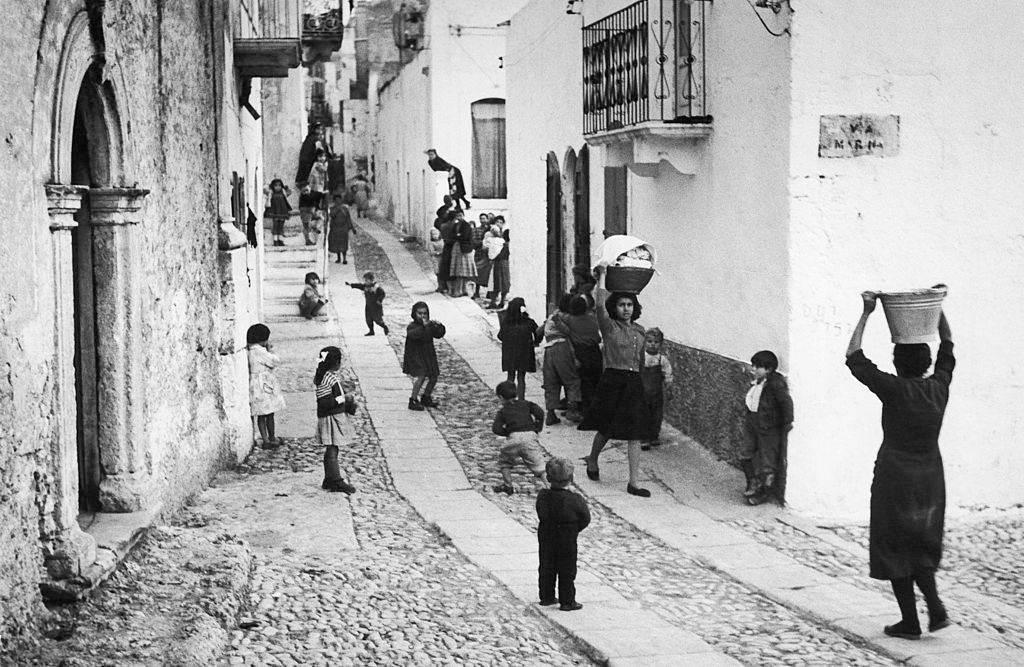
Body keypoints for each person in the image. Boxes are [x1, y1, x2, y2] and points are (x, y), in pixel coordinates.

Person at [846, 290, 954, 641]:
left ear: (896, 362)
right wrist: (935, 309)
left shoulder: (892, 389)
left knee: (894, 545)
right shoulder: (939, 388)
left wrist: (867, 312)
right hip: (930, 478)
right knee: (921, 541)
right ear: (926, 362)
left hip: (895, 475)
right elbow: (948, 345)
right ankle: (935, 609)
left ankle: (910, 620)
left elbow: (854, 357)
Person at [583, 266, 651, 497]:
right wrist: (602, 276)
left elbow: (641, 360)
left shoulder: (641, 331)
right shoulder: (609, 326)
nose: (626, 309)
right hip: (613, 380)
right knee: (606, 428)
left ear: (635, 307)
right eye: (622, 305)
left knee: (635, 433)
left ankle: (634, 483)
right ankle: (592, 459)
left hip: (633, 382)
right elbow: (599, 305)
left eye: (629, 305)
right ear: (615, 307)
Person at [536, 457, 590, 611]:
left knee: (547, 565)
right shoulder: (574, 499)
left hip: (547, 535)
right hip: (567, 537)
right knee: (567, 569)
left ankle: (546, 596)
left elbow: (540, 511)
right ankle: (567, 601)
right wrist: (574, 529)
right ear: (571, 478)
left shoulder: (543, 495)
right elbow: (585, 518)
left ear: (548, 477)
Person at [740, 350, 794, 506]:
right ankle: (753, 483)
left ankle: (764, 493)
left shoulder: (775, 384)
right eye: (754, 366)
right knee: (745, 454)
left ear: (769, 369)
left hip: (768, 427)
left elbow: (786, 403)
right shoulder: (757, 382)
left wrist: (787, 423)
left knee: (767, 462)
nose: (754, 370)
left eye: (758, 367)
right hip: (753, 422)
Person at [491, 380, 547, 495]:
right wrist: (537, 426)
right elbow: (540, 412)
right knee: (539, 464)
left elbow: (496, 428)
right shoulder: (526, 404)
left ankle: (508, 485)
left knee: (504, 461)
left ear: (501, 397)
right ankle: (550, 486)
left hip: (514, 437)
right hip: (530, 435)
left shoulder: (502, 411)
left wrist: (508, 432)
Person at [314, 346, 357, 494]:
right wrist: (343, 399)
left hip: (332, 416)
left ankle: (328, 478)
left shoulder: (325, 376)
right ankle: (336, 480)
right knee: (333, 448)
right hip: (331, 417)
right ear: (336, 362)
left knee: (331, 448)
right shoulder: (328, 378)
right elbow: (324, 401)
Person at [539, 294, 584, 425]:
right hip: (562, 348)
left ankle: (551, 414)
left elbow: (540, 331)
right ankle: (572, 411)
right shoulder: (563, 317)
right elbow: (567, 332)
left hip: (548, 350)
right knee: (572, 380)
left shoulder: (552, 315)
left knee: (551, 383)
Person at [563, 294, 603, 430]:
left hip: (580, 353)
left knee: (582, 384)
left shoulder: (569, 320)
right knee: (595, 383)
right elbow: (598, 338)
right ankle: (595, 413)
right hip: (595, 353)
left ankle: (583, 413)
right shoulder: (592, 318)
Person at [246, 323, 285, 449]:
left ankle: (265, 438)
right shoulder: (260, 351)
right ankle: (271, 437)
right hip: (264, 384)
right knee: (270, 413)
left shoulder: (251, 350)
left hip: (256, 384)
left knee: (261, 414)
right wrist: (271, 349)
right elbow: (275, 361)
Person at [402, 301, 446, 411]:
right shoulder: (412, 326)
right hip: (416, 355)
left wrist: (439, 327)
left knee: (434, 376)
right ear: (414, 314)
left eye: (425, 313)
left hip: (428, 354)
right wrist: (424, 327)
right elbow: (414, 335)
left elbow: (438, 335)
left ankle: (426, 397)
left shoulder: (429, 325)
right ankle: (413, 399)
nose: (422, 316)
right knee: (421, 376)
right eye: (419, 313)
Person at [498, 298, 541, 401]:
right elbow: (539, 332)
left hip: (510, 353)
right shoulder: (529, 322)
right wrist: (536, 342)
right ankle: (521, 400)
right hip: (524, 353)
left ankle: (509, 398)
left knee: (510, 377)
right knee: (521, 378)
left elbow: (500, 336)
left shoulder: (506, 322)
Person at [640, 328, 674, 451]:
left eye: (656, 342)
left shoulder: (662, 360)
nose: (652, 344)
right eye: (649, 341)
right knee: (643, 415)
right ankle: (644, 438)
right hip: (642, 392)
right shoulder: (641, 357)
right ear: (645, 342)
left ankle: (654, 435)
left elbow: (668, 374)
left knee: (656, 415)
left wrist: (669, 387)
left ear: (660, 344)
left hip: (656, 393)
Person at [346, 272, 389, 336]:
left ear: (371, 280)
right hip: (368, 306)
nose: (365, 282)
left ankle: (384, 327)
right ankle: (371, 331)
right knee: (368, 319)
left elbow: (382, 294)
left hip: (376, 307)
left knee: (377, 320)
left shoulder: (376, 288)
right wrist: (351, 285)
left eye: (366, 280)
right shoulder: (365, 286)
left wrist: (379, 300)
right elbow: (359, 286)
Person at [450, 210, 477, 296]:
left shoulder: (466, 225)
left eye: (460, 215)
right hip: (457, 248)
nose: (459, 217)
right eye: (457, 216)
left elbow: (465, 237)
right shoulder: (455, 225)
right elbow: (452, 236)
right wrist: (457, 235)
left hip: (465, 249)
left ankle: (463, 290)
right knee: (458, 271)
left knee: (463, 272)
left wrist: (459, 236)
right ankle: (459, 290)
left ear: (463, 215)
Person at [487, 219, 510, 309]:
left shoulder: (502, 244)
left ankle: (494, 301)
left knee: (495, 282)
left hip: (499, 264)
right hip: (506, 264)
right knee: (504, 282)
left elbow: (495, 255)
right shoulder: (505, 244)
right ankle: (502, 301)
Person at [327, 194, 355, 264]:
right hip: (335, 229)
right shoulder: (332, 209)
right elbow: (332, 215)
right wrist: (338, 209)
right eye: (336, 200)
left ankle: (344, 258)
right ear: (334, 201)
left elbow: (348, 218)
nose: (338, 201)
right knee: (337, 244)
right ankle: (338, 257)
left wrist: (352, 228)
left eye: (339, 200)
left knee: (344, 244)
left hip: (343, 229)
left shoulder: (345, 209)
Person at [263, 178, 292, 247]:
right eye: (276, 185)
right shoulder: (271, 194)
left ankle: (280, 240)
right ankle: (275, 240)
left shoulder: (283, 194)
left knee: (281, 226)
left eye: (279, 185)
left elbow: (287, 196)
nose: (278, 187)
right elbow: (266, 194)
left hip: (282, 211)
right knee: (275, 226)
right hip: (275, 211)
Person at [473, 213, 492, 300]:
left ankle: (489, 292)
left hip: (489, 255)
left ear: (487, 219)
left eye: (484, 218)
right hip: (479, 254)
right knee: (478, 272)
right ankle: (476, 291)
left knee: (488, 273)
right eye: (481, 219)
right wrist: (483, 242)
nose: (483, 220)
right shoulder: (476, 230)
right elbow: (474, 242)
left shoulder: (491, 230)